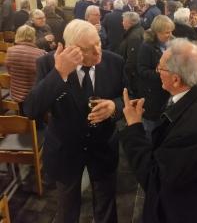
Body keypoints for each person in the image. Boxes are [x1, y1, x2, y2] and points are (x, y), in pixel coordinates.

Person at [24, 19, 125, 223]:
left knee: (106, 205)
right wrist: (59, 73)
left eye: (98, 43)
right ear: (72, 49)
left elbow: (128, 96)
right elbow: (31, 109)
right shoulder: (48, 63)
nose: (99, 52)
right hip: (66, 150)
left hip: (103, 146)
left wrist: (115, 107)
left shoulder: (115, 61)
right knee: (68, 208)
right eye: (90, 49)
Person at [120, 38, 197, 223]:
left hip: (180, 212)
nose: (157, 71)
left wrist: (134, 126)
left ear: (176, 79)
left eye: (160, 68)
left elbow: (155, 179)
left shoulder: (195, 128)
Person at [137, 15, 174, 138]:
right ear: (157, 32)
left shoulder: (170, 44)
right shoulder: (146, 47)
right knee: (150, 131)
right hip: (153, 95)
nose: (170, 35)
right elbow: (141, 71)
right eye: (167, 32)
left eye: (171, 31)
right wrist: (160, 73)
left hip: (167, 93)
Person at [6, 25, 45, 113]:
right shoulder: (41, 53)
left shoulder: (10, 50)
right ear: (33, 37)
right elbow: (43, 77)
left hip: (16, 92)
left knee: (23, 114)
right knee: (35, 119)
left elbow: (9, 71)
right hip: (34, 95)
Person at [118, 11, 144, 97]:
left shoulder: (134, 37)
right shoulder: (137, 30)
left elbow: (132, 60)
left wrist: (123, 74)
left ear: (130, 23)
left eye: (124, 21)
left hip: (133, 78)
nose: (122, 23)